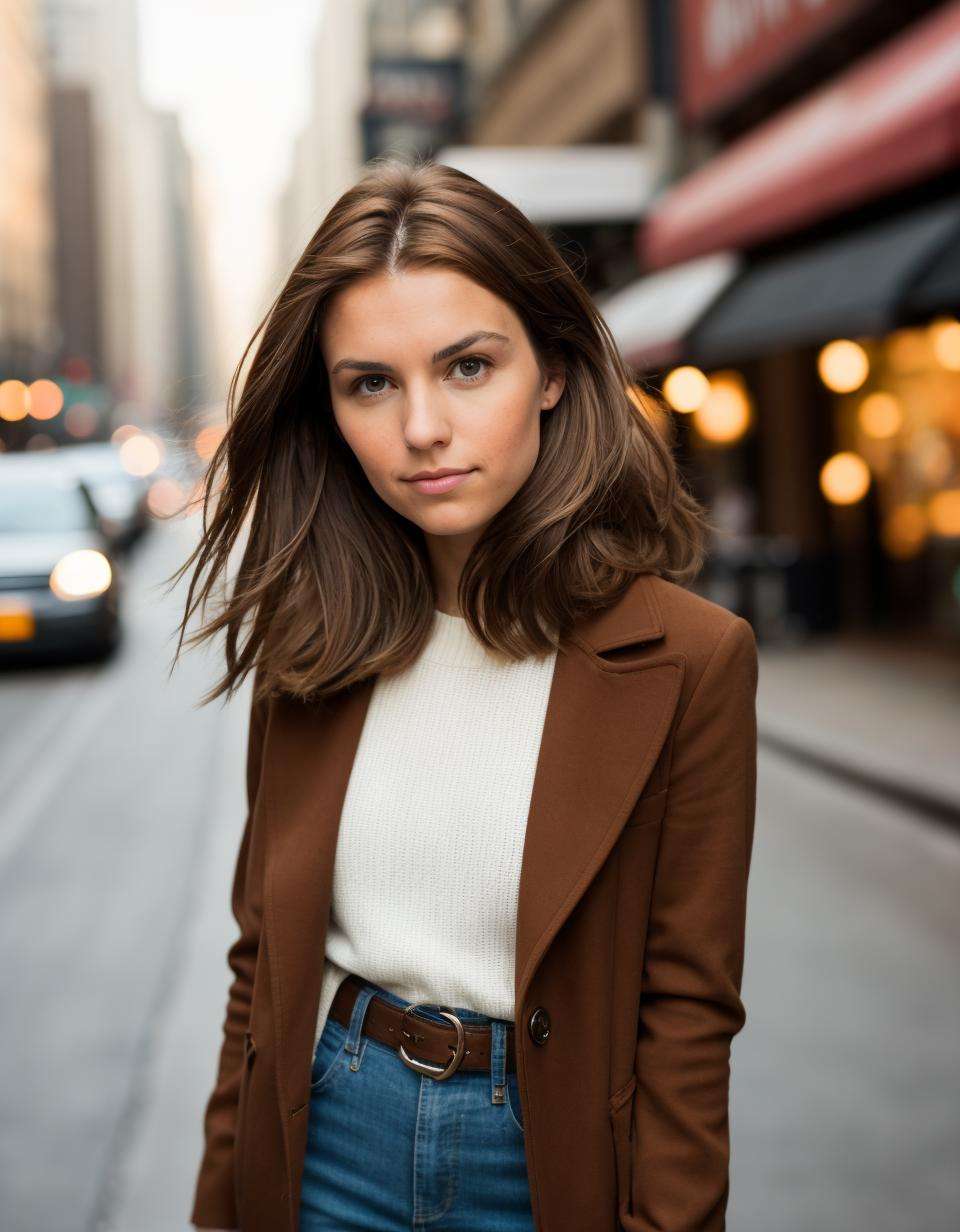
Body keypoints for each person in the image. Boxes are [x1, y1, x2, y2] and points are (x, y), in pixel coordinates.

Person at [172, 155, 759, 1231]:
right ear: (332, 407)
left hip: (542, 1163)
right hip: (325, 1143)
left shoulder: (691, 659)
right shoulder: (315, 637)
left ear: (551, 368)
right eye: (371, 382)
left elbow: (688, 1012)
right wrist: (221, 1208)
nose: (423, 428)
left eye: (468, 366)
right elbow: (261, 961)